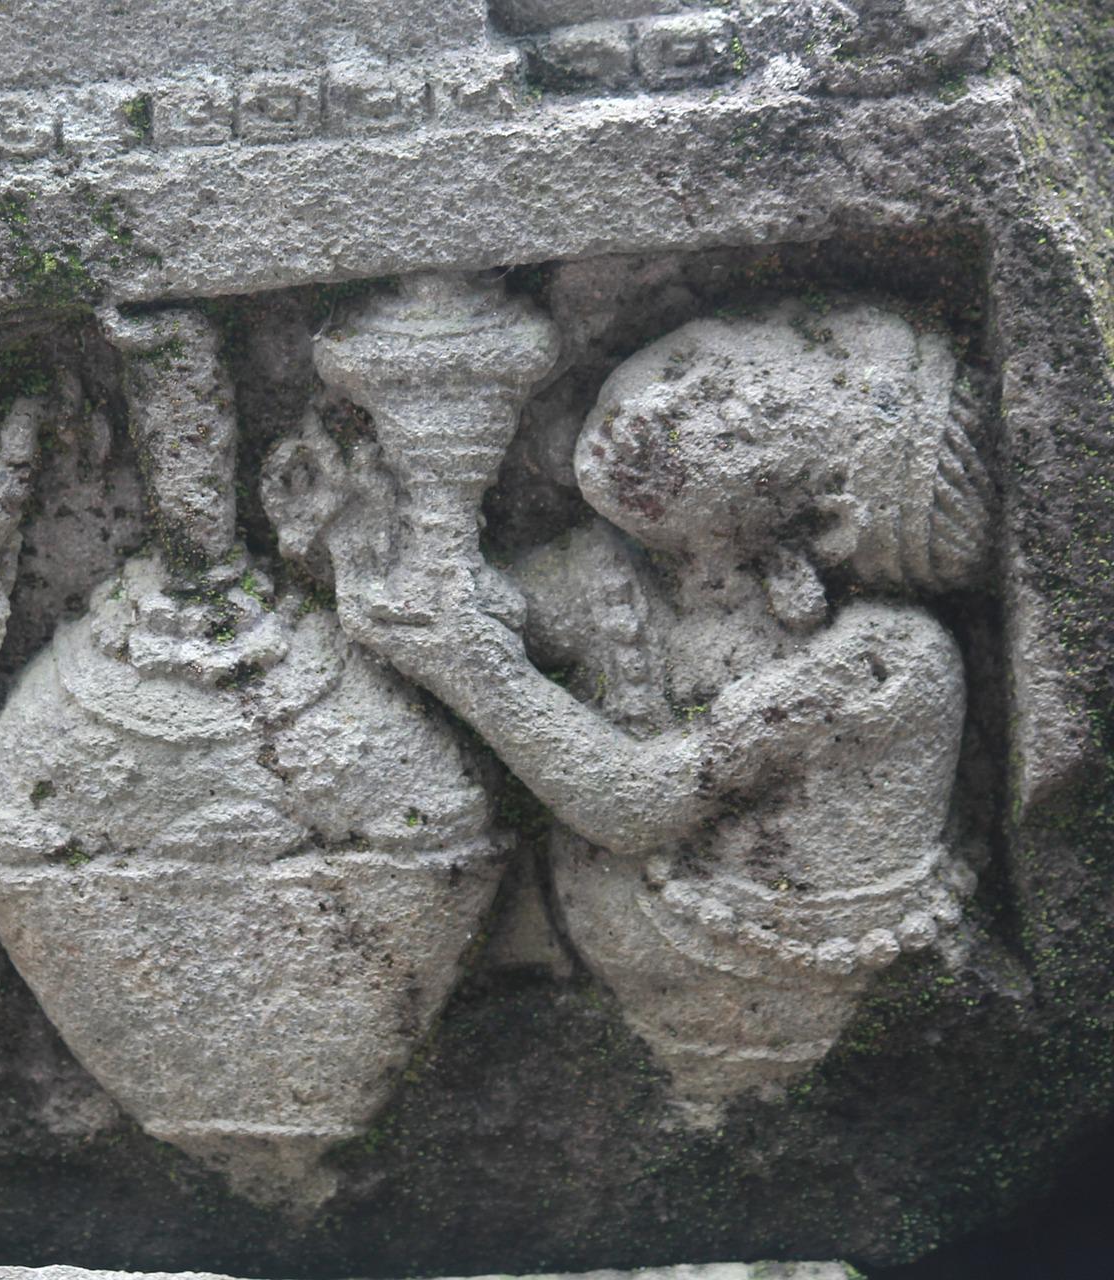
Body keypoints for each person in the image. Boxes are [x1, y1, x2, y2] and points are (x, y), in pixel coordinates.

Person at [280, 300, 989, 1116]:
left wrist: (467, 664)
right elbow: (475, 606)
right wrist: (359, 532)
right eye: (688, 357)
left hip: (767, 993)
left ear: (825, 520)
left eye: (731, 411)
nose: (657, 400)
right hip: (626, 963)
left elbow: (634, 801)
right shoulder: (615, 573)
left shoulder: (885, 660)